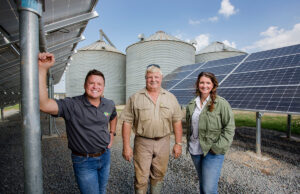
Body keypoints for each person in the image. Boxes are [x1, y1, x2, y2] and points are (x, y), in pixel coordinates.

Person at [38, 52, 117, 194]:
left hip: (105, 156)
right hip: (84, 161)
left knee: (102, 191)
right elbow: (44, 105)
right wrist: (42, 69)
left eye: (99, 84)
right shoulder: (72, 105)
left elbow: (113, 116)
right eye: (91, 83)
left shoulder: (109, 104)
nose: (95, 86)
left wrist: (112, 133)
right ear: (85, 85)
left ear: (103, 87)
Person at [121, 64, 183, 194]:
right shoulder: (135, 98)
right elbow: (126, 122)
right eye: (150, 77)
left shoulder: (170, 98)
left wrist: (178, 143)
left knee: (159, 174)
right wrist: (126, 146)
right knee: (141, 177)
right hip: (142, 143)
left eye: (156, 77)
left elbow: (177, 121)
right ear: (145, 78)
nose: (153, 80)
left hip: (163, 142)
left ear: (161, 78)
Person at [185, 72, 235, 194]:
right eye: (202, 82)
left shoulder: (221, 103)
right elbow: (190, 127)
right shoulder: (192, 104)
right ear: (198, 84)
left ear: (213, 85)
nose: (204, 85)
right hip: (195, 150)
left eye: (208, 83)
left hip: (212, 152)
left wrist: (217, 147)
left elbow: (229, 128)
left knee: (209, 189)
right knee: (203, 184)